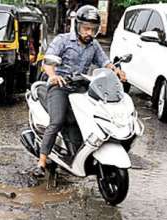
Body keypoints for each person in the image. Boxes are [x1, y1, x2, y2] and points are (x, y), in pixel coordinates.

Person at [36, 5, 126, 176]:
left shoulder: (94, 45)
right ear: (77, 26)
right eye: (86, 28)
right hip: (60, 86)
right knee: (58, 121)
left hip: (81, 88)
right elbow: (47, 63)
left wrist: (116, 70)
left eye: (93, 29)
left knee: (96, 116)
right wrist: (53, 76)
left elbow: (104, 63)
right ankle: (41, 161)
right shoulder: (62, 40)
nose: (89, 33)